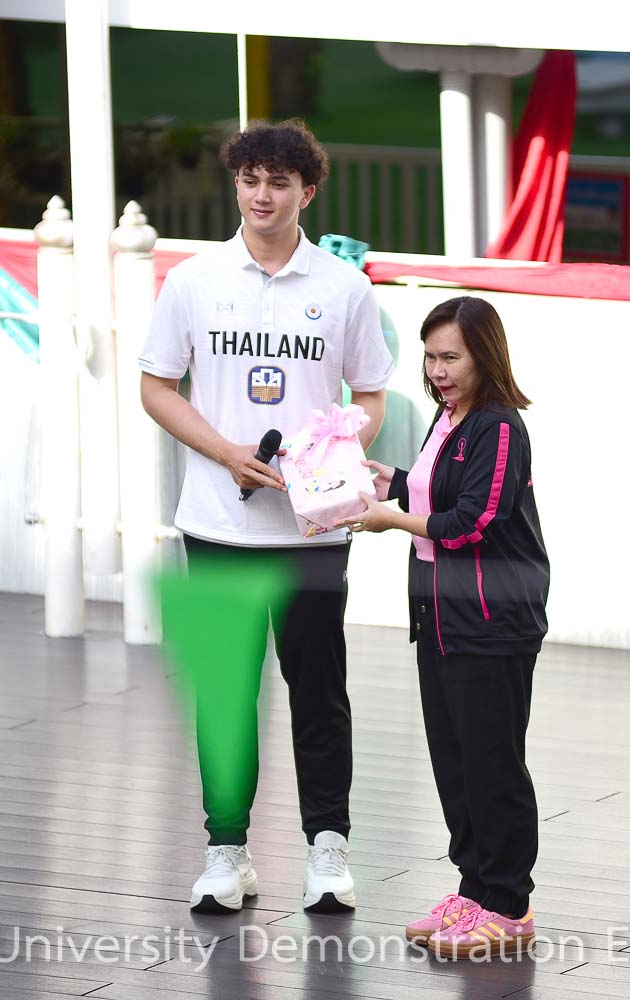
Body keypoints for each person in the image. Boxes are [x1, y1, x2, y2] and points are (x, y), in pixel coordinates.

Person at [138, 119, 393, 913]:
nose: (261, 195)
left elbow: (371, 397)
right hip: (217, 525)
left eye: (279, 182)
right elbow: (156, 387)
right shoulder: (192, 281)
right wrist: (223, 451)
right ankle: (226, 854)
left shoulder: (345, 288)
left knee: (319, 693)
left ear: (307, 192)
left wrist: (329, 458)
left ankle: (328, 851)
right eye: (250, 179)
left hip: (312, 531)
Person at [335, 296, 549, 960]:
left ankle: (509, 905)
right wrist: (393, 481)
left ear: (484, 355)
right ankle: (474, 889)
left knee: (493, 765)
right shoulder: (449, 416)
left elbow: (474, 520)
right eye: (430, 358)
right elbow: (443, 492)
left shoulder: (500, 426)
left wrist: (392, 519)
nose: (437, 371)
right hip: (440, 616)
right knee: (456, 764)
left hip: (491, 621)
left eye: (450, 357)